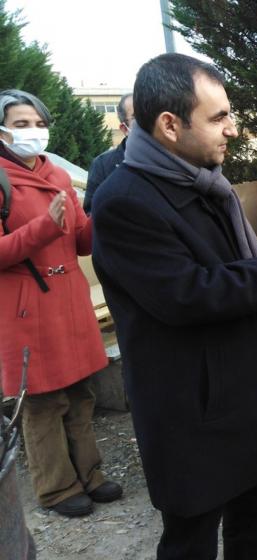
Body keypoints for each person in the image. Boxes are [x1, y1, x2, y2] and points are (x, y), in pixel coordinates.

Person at [91, 54, 257, 559]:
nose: (233, 129)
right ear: (169, 124)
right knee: (192, 541)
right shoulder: (125, 199)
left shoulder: (207, 183)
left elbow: (239, 274)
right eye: (218, 117)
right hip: (191, 412)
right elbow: (186, 294)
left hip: (248, 395)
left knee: (252, 528)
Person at [0, 89, 123, 518]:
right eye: (20, 124)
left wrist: (105, 215)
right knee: (42, 401)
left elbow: (83, 240)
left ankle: (90, 475)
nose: (33, 131)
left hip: (68, 299)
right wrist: (44, 227)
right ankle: (55, 488)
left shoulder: (56, 174)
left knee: (80, 392)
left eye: (37, 122)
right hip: (25, 306)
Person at [83, 93, 133, 214]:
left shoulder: (175, 158)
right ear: (124, 128)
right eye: (139, 118)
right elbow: (91, 213)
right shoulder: (103, 165)